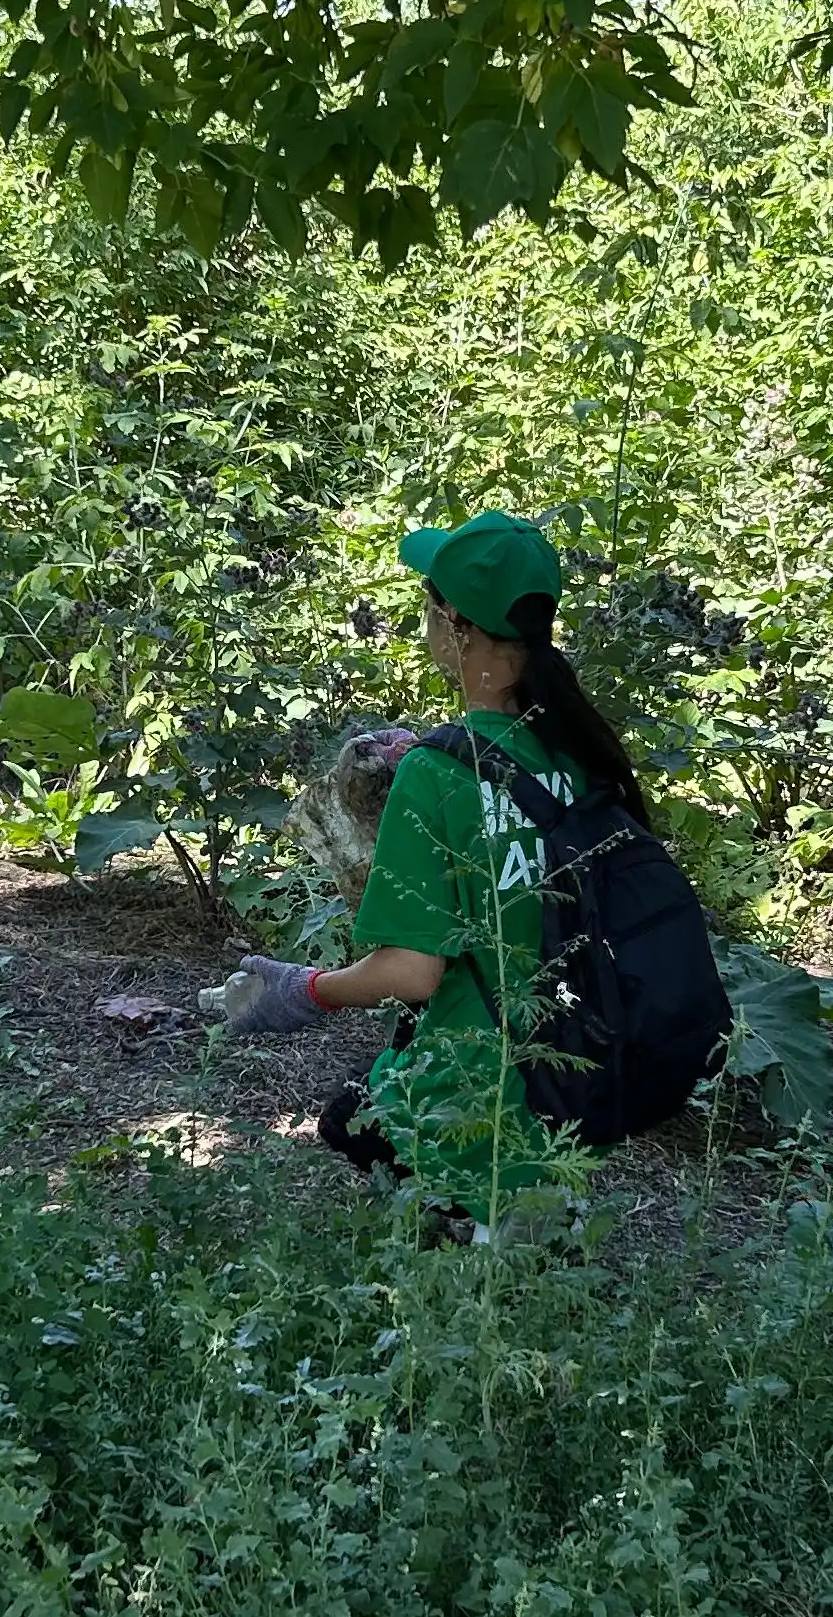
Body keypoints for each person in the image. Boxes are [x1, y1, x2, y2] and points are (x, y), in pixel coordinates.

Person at [209, 512, 651, 1228]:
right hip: (573, 1077)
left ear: (456, 627)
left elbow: (413, 973)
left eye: (425, 605)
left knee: (405, 1191)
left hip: (467, 1090)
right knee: (529, 1241)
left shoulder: (440, 772)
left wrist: (303, 991)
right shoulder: (580, 753)